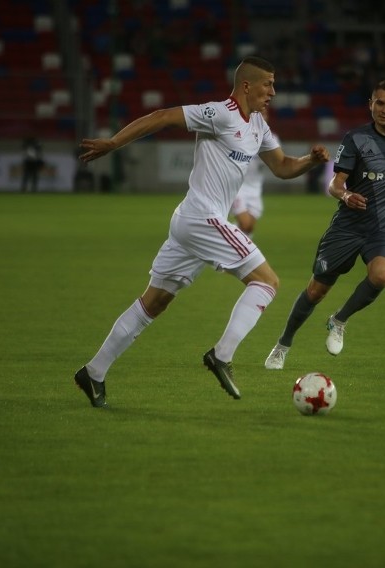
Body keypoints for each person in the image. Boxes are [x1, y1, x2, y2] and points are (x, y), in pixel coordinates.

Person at [74, 56, 330, 407]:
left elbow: (283, 167)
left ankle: (93, 372)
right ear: (246, 86)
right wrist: (114, 143)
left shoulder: (258, 125)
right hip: (201, 218)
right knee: (267, 282)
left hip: (191, 224)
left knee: (154, 302)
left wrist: (308, 161)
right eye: (268, 84)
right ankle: (222, 356)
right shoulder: (219, 113)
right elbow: (162, 116)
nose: (273, 91)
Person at [264, 80, 385, 370]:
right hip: (348, 227)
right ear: (370, 104)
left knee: (382, 275)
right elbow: (335, 185)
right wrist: (346, 195)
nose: (384, 110)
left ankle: (339, 320)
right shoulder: (356, 138)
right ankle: (282, 344)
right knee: (315, 291)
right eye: (379, 103)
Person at [230, 106, 270, 235]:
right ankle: (218, 238)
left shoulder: (271, 138)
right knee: (245, 223)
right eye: (259, 114)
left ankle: (232, 251)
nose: (262, 117)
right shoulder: (241, 133)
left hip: (255, 188)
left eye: (264, 114)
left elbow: (275, 162)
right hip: (237, 187)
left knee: (248, 228)